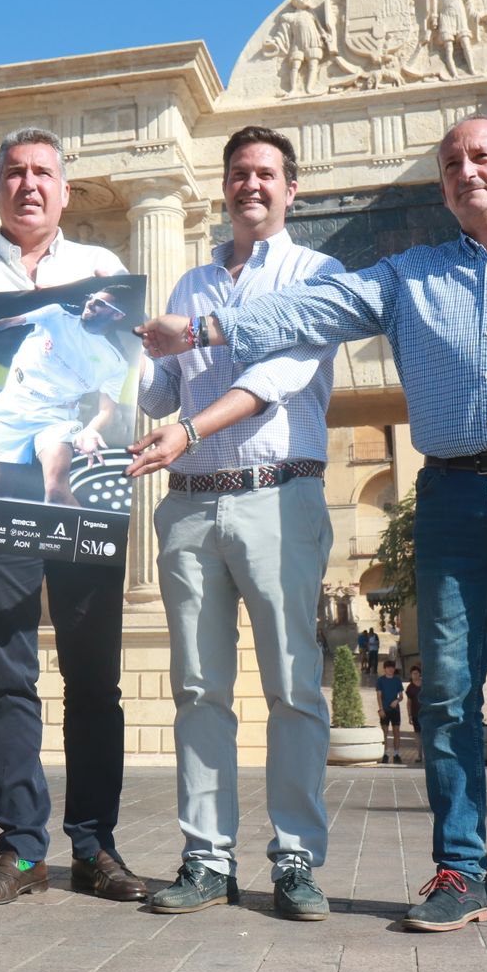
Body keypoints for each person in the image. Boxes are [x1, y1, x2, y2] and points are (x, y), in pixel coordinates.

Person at [136, 113, 487, 944]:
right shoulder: (407, 274)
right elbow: (311, 311)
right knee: (448, 695)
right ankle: (462, 872)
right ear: (442, 184)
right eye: (452, 163)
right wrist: (204, 328)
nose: (467, 171)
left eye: (481, 157)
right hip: (450, 495)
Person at [0, 127, 146, 906]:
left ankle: (95, 846)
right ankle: (20, 850)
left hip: (83, 477)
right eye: (14, 172)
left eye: (43, 173)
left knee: (94, 678)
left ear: (65, 190)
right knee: (5, 673)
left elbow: (119, 371)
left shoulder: (103, 269)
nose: (28, 185)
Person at [124, 126, 341, 920]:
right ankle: (206, 859)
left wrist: (186, 427)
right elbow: (155, 397)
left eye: (266, 174)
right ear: (223, 189)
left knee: (292, 686)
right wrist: (115, 340)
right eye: (240, 174)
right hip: (187, 507)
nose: (252, 185)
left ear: (292, 190)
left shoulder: (320, 274)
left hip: (276, 494)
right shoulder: (188, 286)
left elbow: (277, 375)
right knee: (197, 691)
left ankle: (294, 860)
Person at [0, 283, 135, 506]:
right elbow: (10, 321)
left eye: (101, 303)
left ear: (117, 315)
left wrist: (92, 430)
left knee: (55, 491)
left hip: (55, 419)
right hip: (13, 410)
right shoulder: (56, 314)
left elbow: (106, 410)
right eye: (92, 297)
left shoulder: (115, 362)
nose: (91, 303)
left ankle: (82, 537)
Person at [376, 660, 405, 765]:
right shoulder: (380, 680)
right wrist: (380, 709)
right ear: (385, 669)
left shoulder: (397, 681)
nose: (391, 669)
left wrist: (397, 700)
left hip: (395, 710)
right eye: (388, 667)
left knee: (396, 732)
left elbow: (401, 696)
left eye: (392, 667)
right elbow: (379, 696)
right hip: (385, 710)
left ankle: (396, 754)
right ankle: (385, 754)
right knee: (384, 732)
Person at [405, 665, 424, 765]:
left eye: (416, 673)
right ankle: (419, 755)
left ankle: (427, 755)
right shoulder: (410, 687)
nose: (415, 675)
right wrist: (409, 715)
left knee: (426, 734)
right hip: (415, 713)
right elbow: (409, 702)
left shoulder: (425, 684)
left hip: (426, 713)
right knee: (417, 735)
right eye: (413, 673)